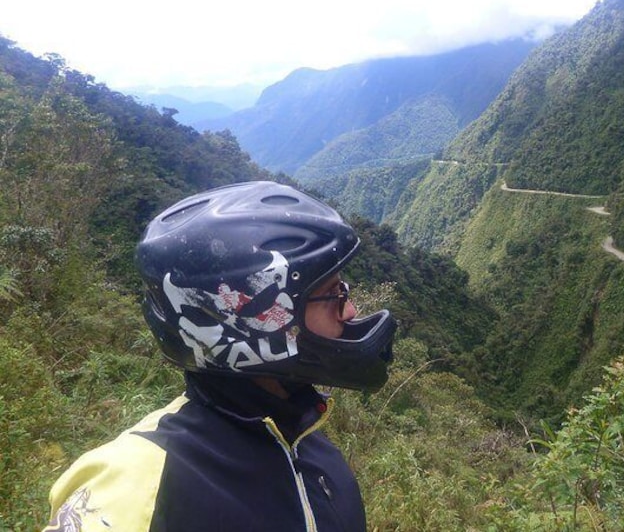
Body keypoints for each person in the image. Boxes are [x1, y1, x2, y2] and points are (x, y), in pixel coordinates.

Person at [43, 181, 396, 531]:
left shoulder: (320, 458)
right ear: (249, 321)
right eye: (332, 293)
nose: (349, 310)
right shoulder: (135, 480)